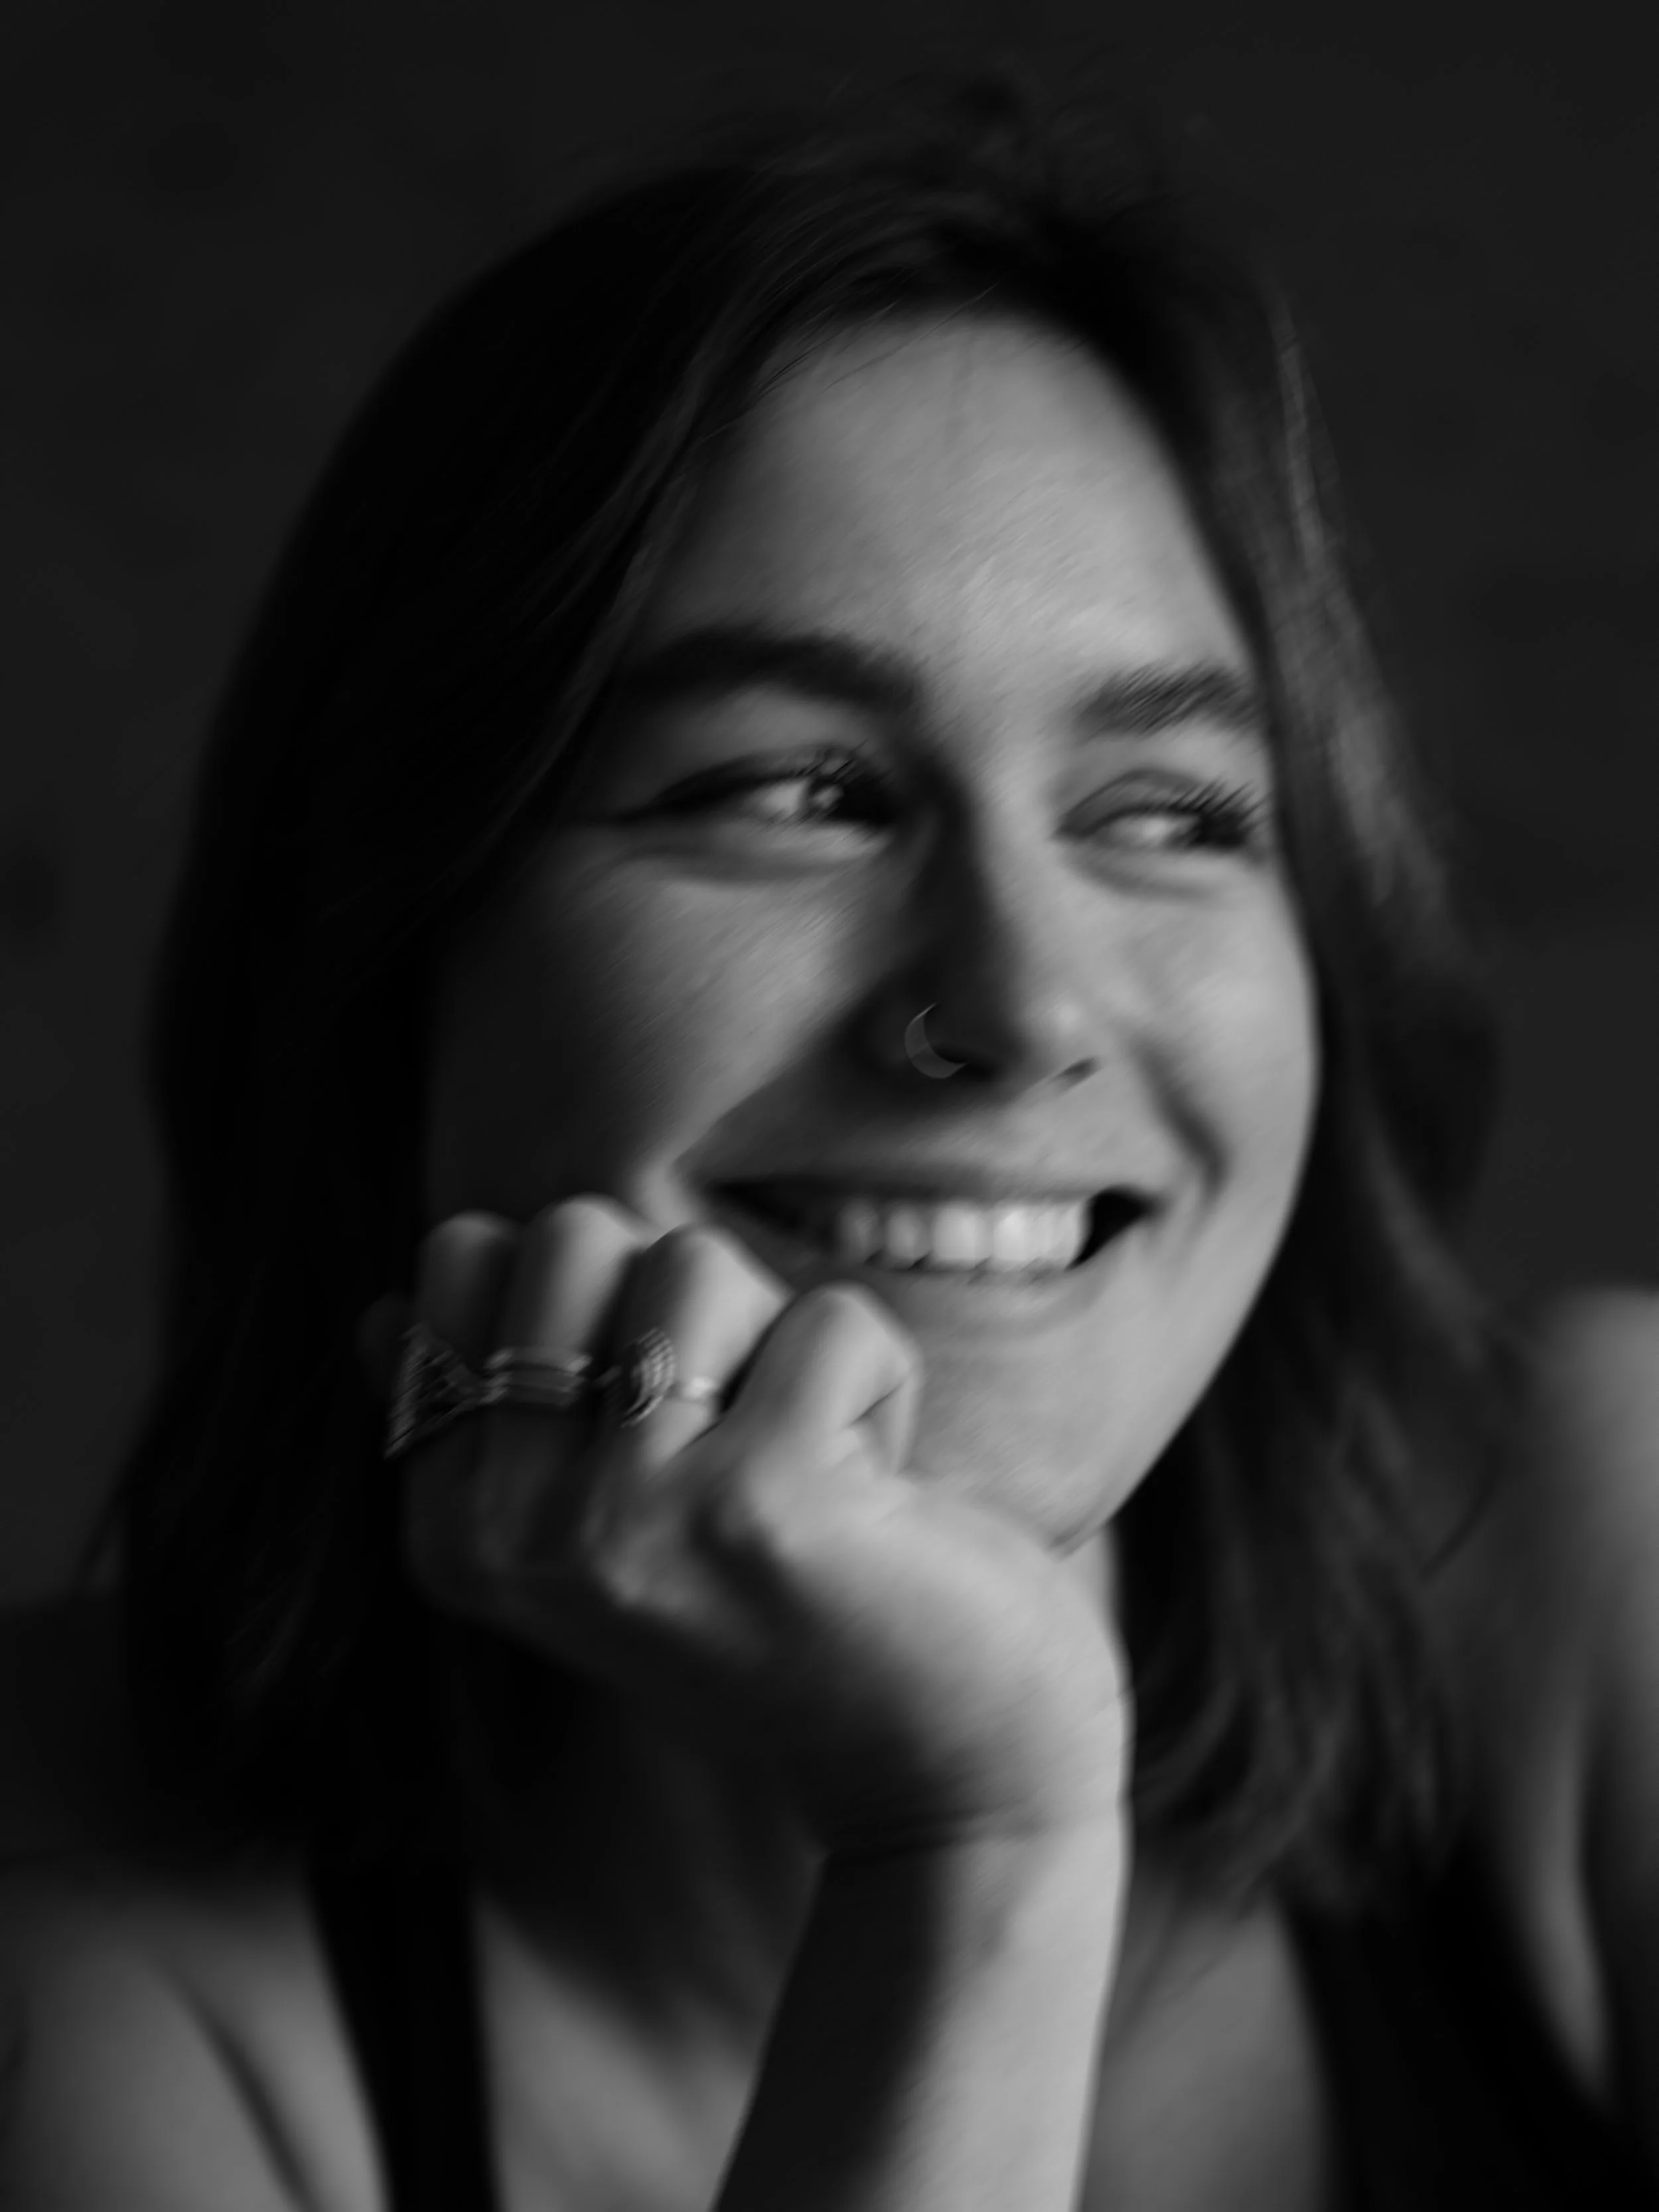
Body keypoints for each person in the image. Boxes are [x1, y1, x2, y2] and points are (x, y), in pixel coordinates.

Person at [2, 76, 1657, 2212]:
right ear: (387, 949)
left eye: (1163, 814)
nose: (1021, 1005)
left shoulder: (1604, 1563)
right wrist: (977, 1840)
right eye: (793, 790)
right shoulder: (70, 1904)